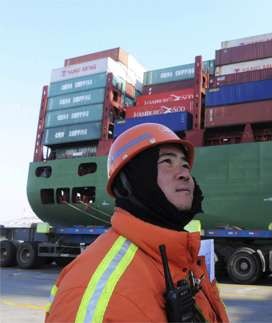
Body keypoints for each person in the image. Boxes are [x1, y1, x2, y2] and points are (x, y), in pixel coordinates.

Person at [46, 123, 229, 323]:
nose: (185, 174)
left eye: (185, 165)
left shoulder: (183, 260)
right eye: (167, 162)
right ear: (129, 181)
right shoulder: (99, 293)